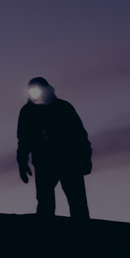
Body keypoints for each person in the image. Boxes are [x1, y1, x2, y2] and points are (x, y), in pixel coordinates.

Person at [16, 76, 91, 219]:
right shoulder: (27, 112)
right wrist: (22, 163)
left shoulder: (64, 108)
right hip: (44, 163)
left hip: (69, 161)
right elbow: (24, 140)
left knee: (78, 204)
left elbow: (80, 135)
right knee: (45, 205)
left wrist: (86, 158)